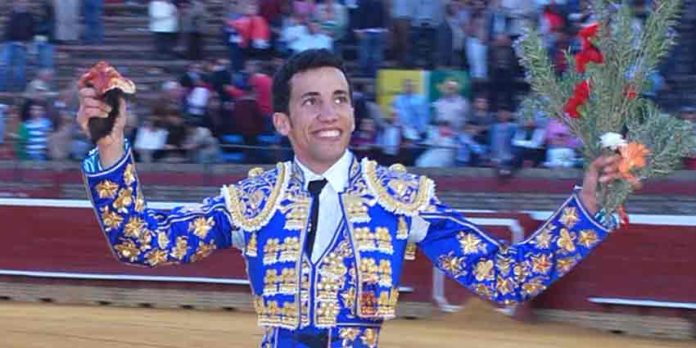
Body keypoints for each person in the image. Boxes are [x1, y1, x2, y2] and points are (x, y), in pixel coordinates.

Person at [78, 49, 630, 347]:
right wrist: (110, 147)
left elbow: (507, 279)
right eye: (311, 102)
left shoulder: (401, 198)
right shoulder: (252, 199)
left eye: (339, 99)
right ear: (283, 122)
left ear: (353, 114)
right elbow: (140, 242)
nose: (328, 113)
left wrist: (587, 206)